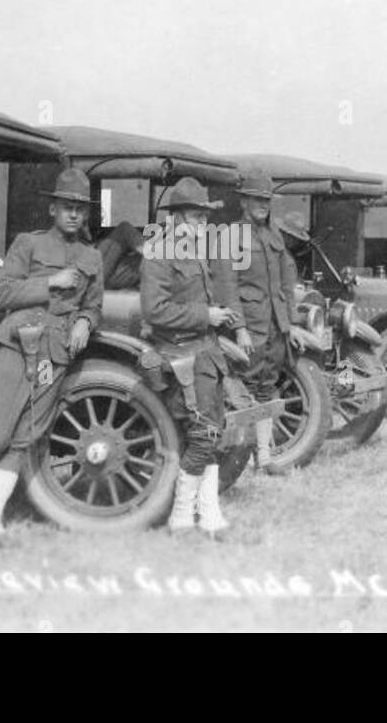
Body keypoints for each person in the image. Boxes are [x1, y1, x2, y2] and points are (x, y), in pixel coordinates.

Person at [0, 168, 103, 546]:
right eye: (67, 206)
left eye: (80, 208)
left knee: (24, 438)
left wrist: (86, 324)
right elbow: (1, 294)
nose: (74, 214)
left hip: (55, 353)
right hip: (16, 342)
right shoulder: (27, 243)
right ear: (53, 209)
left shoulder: (92, 256)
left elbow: (94, 305)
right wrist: (51, 283)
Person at [140, 177, 246, 539]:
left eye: (203, 218)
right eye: (193, 217)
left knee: (212, 433)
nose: (200, 224)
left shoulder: (197, 254)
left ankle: (211, 514)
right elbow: (155, 311)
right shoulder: (159, 253)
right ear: (175, 219)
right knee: (203, 436)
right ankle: (182, 516)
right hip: (179, 354)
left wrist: (216, 318)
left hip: (206, 353)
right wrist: (208, 316)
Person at [232, 170, 304, 474]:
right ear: (244, 201)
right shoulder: (232, 236)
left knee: (267, 388)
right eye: (256, 199)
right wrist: (238, 329)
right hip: (249, 327)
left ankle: (264, 456)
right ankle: (244, 458)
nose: (263, 205)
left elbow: (286, 284)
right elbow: (226, 285)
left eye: (266, 200)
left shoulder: (275, 235)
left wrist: (293, 323)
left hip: (275, 327)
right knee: (245, 390)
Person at [97, 220, 145, 290]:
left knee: (141, 260)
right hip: (91, 274)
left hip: (101, 277)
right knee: (123, 229)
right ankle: (159, 257)